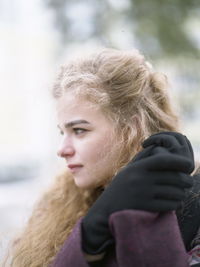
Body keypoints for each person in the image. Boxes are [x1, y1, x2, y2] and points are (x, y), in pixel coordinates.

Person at [4, 48, 200, 267]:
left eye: (79, 130)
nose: (62, 149)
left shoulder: (195, 201)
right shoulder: (66, 200)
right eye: (62, 132)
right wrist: (90, 234)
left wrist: (139, 219)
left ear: (130, 127)